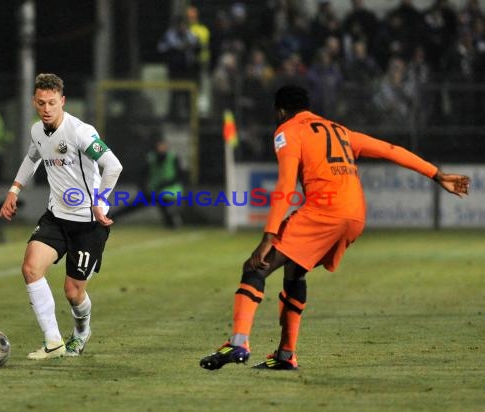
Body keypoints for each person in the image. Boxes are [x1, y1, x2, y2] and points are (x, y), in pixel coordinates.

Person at [199, 85, 470, 371]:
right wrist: (436, 174)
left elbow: (285, 185)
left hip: (324, 211)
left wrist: (268, 236)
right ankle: (285, 355)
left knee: (256, 267)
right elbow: (391, 150)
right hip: (355, 216)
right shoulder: (340, 130)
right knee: (295, 272)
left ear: (280, 111)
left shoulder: (287, 131)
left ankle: (238, 342)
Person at [0, 74, 123, 360]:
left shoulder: (80, 132)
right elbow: (32, 158)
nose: (46, 108)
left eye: (52, 103)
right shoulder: (37, 132)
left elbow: (112, 166)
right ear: (34, 102)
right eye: (41, 103)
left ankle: (81, 333)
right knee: (31, 269)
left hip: (88, 224)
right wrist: (14, 190)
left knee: (73, 292)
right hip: (56, 217)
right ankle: (53, 341)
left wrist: (100, 201)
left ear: (62, 101)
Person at [112, 139, 184, 229]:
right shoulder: (151, 158)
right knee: (134, 205)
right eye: (159, 146)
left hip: (170, 191)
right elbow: (142, 174)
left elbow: (179, 176)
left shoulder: (173, 158)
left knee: (165, 203)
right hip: (153, 190)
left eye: (163, 147)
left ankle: (172, 221)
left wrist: (165, 184)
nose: (161, 149)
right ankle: (111, 218)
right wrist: (143, 187)